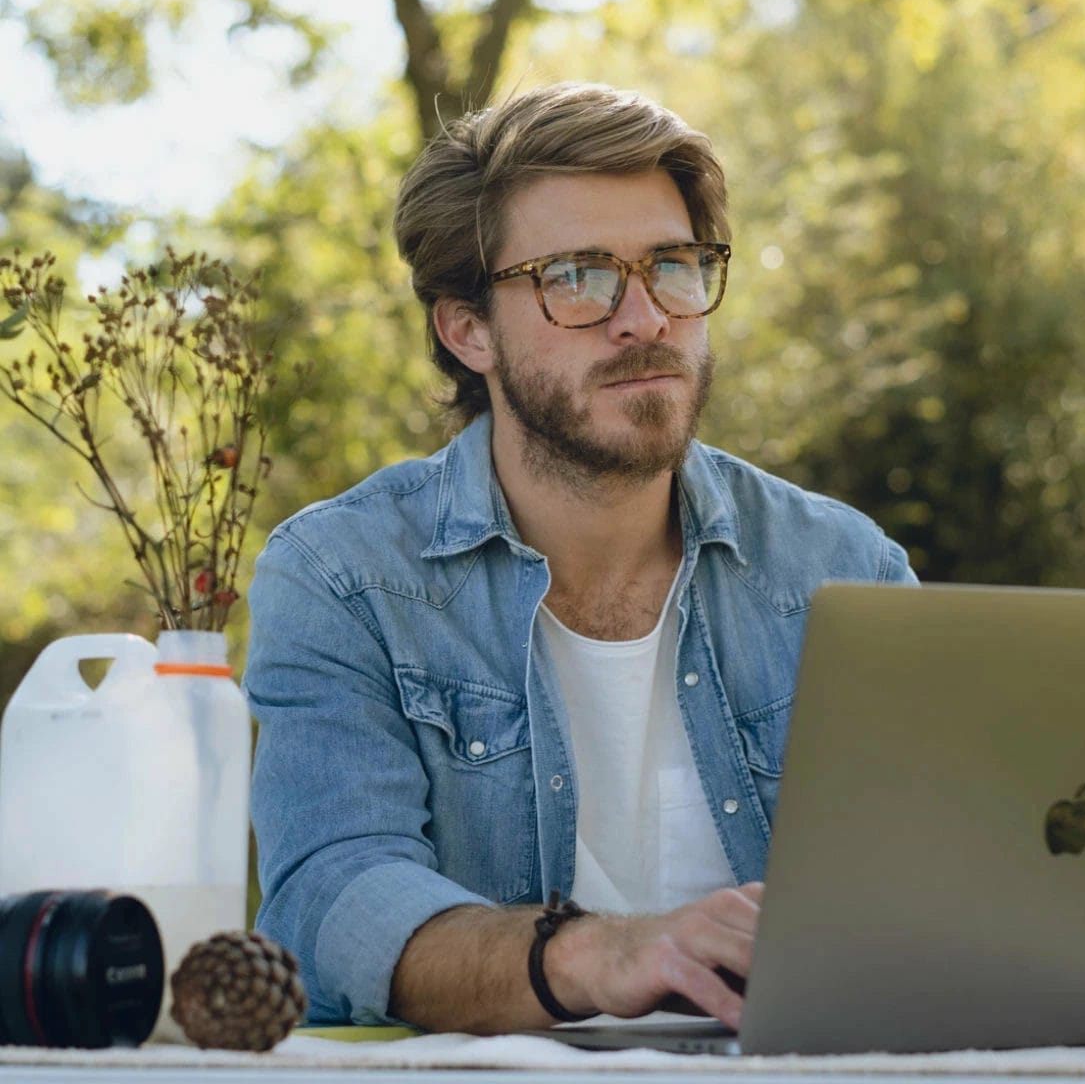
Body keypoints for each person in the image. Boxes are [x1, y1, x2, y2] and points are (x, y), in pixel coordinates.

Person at [245, 82, 916, 1035]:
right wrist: (601, 955)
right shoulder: (342, 577)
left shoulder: (843, 571)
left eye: (672, 266)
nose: (644, 318)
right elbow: (336, 898)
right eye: (576, 277)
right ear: (467, 329)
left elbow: (946, 873)